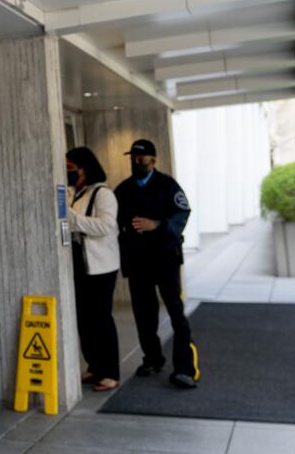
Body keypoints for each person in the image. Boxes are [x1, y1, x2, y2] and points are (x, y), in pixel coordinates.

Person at [114, 139, 199, 389]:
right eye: (132, 158)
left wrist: (157, 225)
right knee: (143, 312)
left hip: (165, 259)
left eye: (141, 159)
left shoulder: (167, 185)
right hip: (138, 261)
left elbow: (182, 213)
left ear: (153, 160)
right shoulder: (124, 189)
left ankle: (184, 368)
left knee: (175, 310)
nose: (136, 162)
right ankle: (152, 358)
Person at [62, 146, 121, 391]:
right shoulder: (76, 193)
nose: (69, 173)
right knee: (84, 320)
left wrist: (74, 220)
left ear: (85, 167)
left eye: (71, 169)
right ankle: (95, 366)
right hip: (80, 265)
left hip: (101, 266)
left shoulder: (103, 194)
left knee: (101, 319)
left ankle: (110, 371)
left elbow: (106, 226)